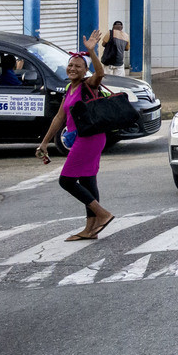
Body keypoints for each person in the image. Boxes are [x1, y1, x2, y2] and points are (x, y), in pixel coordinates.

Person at [36, 30, 115, 241]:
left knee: (66, 181)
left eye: (78, 66)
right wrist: (44, 143)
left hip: (89, 139)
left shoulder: (88, 85)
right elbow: (59, 117)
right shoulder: (69, 88)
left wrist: (92, 51)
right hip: (83, 138)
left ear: (85, 70)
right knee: (88, 181)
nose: (72, 68)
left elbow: (100, 73)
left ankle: (103, 214)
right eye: (70, 65)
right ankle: (90, 230)